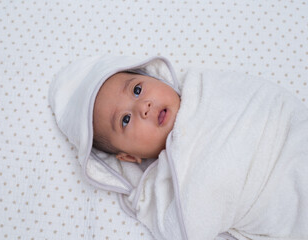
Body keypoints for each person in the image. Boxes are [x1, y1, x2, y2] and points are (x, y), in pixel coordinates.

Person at [49, 55, 308, 240]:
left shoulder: (207, 89)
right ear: (129, 156)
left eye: (137, 89)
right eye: (125, 120)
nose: (143, 107)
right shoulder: (166, 189)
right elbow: (187, 224)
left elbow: (264, 103)